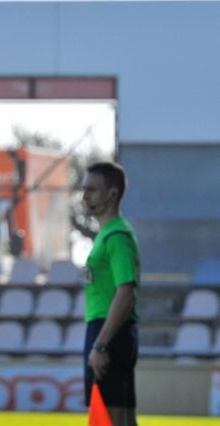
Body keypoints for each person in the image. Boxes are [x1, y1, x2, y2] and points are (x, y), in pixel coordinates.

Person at [81, 161, 139, 426]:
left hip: (109, 333)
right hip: (109, 332)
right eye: (84, 189)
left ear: (112, 193)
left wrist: (101, 344)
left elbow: (126, 292)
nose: (85, 196)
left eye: (92, 189)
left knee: (110, 420)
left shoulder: (117, 237)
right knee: (120, 419)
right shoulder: (106, 235)